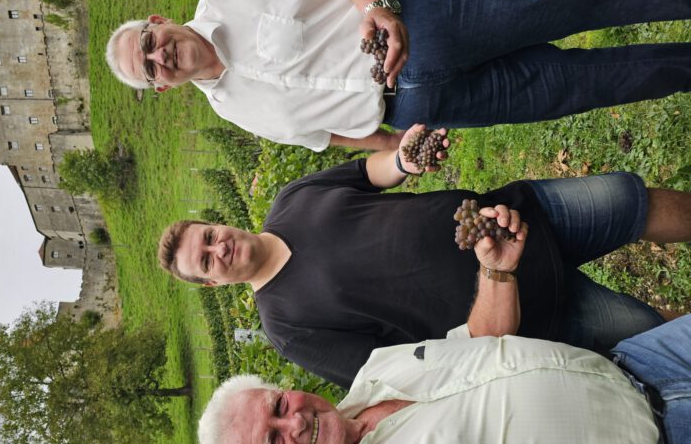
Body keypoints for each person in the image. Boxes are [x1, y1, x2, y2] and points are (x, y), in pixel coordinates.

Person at [196, 227, 691, 444]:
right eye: (273, 443)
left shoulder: (376, 371)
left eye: (278, 407)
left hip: (644, 364)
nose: (295, 423)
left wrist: (497, 271)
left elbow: (478, 344)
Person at [158, 125, 691, 387]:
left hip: (509, 214)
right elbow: (397, 373)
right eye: (205, 260)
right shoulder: (287, 328)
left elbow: (369, 173)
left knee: (628, 200)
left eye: (208, 236)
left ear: (215, 224)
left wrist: (405, 159)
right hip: (527, 314)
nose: (218, 248)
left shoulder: (290, 201)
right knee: (645, 329)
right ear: (211, 283)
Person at [106, 0, 691, 151]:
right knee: (586, 86)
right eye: (150, 68)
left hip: (424, 10)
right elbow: (327, 136)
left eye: (150, 43)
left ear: (158, 21)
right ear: (160, 88)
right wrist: (396, 149)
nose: (160, 57)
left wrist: (377, 8)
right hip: (420, 104)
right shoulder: (235, 109)